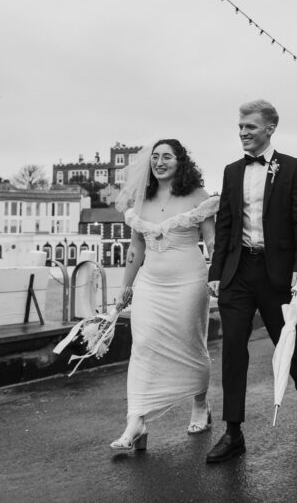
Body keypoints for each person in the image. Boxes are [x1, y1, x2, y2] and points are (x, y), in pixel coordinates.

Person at [206, 99, 297, 464]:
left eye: (250, 127)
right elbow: (225, 225)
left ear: (270, 128)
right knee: (233, 348)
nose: (243, 133)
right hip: (238, 272)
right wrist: (216, 273)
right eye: (240, 127)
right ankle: (233, 431)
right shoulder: (231, 171)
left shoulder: (292, 168)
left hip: (277, 273)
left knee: (286, 341)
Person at [109, 139, 219, 451]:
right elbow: (136, 248)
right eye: (155, 157)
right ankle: (137, 421)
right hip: (150, 284)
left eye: (166, 157)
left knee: (191, 342)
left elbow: (211, 241)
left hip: (189, 281)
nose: (159, 162)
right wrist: (125, 289)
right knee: (142, 346)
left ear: (180, 161)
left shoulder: (198, 196)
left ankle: (200, 404)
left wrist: (219, 275)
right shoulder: (141, 201)